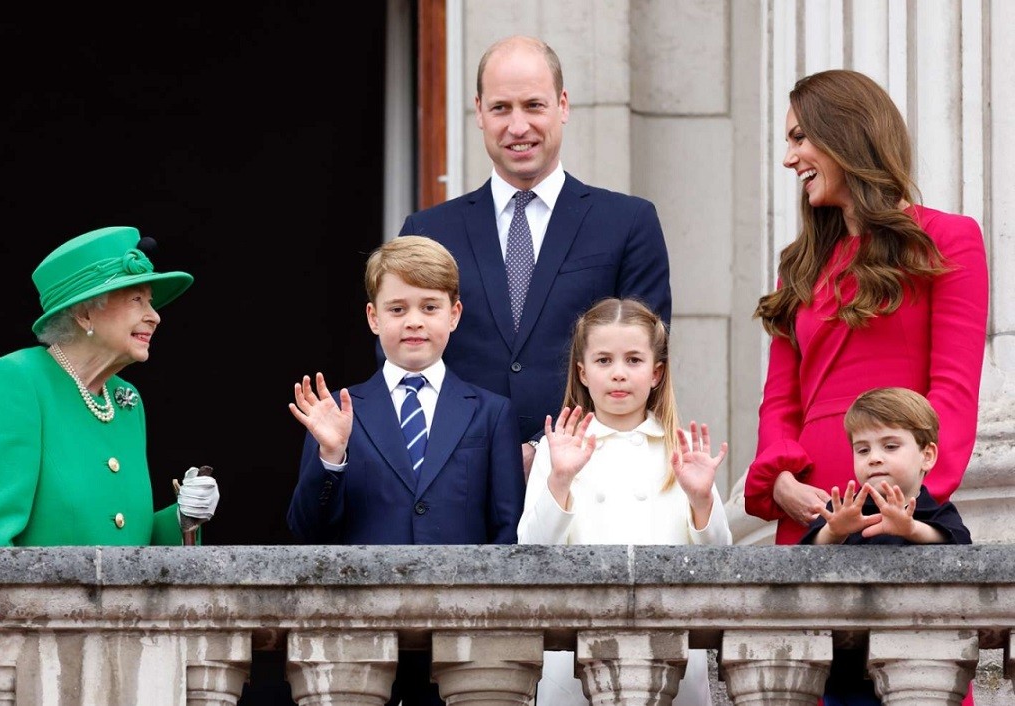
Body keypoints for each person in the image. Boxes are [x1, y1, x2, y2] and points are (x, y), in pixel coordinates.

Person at [396, 35, 672, 480]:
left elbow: (645, 357)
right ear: (479, 112)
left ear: (562, 105)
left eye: (533, 105)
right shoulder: (428, 232)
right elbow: (403, 364)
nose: (518, 126)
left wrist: (545, 452)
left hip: (592, 478)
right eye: (501, 108)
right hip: (460, 481)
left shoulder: (628, 223)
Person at [743, 68, 988, 545]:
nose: (789, 158)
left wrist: (912, 499)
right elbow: (779, 401)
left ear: (845, 133)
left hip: (898, 504)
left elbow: (954, 391)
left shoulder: (947, 239)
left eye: (800, 137)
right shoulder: (800, 266)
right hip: (816, 508)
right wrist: (780, 481)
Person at [286, 235, 525, 706]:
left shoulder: (491, 412)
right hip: (361, 632)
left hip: (461, 636)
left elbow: (506, 531)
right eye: (397, 309)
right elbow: (307, 530)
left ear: (454, 315)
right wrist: (331, 455)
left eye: (429, 307)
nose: (414, 320)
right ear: (373, 317)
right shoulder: (338, 411)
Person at [518, 297, 731, 706]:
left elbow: (721, 558)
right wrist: (560, 479)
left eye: (633, 360)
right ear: (583, 371)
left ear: (656, 372)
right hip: (576, 655)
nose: (618, 373)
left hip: (670, 651)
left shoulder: (679, 449)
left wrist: (702, 499)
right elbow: (531, 553)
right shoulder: (557, 449)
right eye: (604, 360)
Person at [0, 225, 219, 547]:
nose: (154, 316)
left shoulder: (127, 402)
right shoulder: (19, 380)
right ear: (85, 314)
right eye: (137, 299)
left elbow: (129, 543)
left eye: (150, 301)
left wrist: (182, 519)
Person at [800, 387, 971, 705]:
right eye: (862, 449)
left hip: (920, 664)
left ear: (927, 455)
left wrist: (911, 529)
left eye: (890, 446)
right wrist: (833, 532)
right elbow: (801, 560)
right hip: (847, 670)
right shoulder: (846, 512)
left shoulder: (934, 513)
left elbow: (961, 549)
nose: (874, 457)